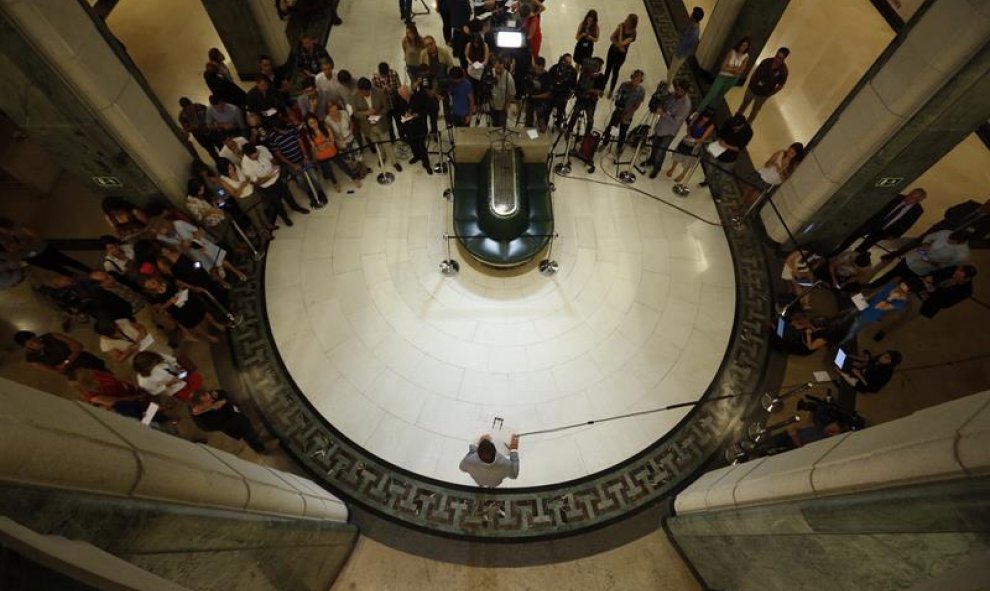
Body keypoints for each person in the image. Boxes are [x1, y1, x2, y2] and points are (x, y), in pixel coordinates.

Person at [870, 230, 971, 287]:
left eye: (952, 241)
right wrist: (926, 243)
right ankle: (875, 284)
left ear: (960, 242)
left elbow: (951, 265)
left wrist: (938, 264)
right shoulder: (945, 233)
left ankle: (890, 296)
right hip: (914, 257)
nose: (948, 241)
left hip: (923, 267)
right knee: (893, 272)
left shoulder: (963, 253)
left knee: (904, 283)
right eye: (949, 239)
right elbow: (930, 236)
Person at [140, 276, 227, 344]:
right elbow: (159, 308)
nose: (152, 284)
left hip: (186, 300)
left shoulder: (166, 281)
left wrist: (180, 289)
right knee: (193, 323)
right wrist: (170, 302)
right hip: (177, 310)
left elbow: (178, 285)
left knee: (203, 312)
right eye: (150, 285)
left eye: (152, 282)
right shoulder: (153, 296)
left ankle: (215, 323)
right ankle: (208, 336)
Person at [240, 142, 307, 227]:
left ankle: (295, 207)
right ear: (248, 156)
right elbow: (257, 182)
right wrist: (269, 176)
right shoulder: (245, 164)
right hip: (267, 186)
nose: (256, 156)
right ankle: (284, 217)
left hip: (277, 177)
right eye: (254, 157)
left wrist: (276, 167)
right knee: (277, 203)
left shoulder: (262, 148)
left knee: (287, 194)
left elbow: (272, 160)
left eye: (256, 153)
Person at [842, 188, 927, 254]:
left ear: (919, 201)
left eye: (914, 198)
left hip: (884, 230)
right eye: (910, 195)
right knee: (854, 236)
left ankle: (851, 258)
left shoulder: (917, 211)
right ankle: (839, 251)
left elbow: (908, 224)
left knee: (865, 246)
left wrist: (896, 235)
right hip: (873, 222)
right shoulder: (896, 197)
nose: (909, 198)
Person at [0, 218, 91, 277]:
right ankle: (72, 276)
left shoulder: (21, 227)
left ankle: (89, 271)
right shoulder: (3, 239)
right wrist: (13, 249)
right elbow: (9, 250)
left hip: (42, 249)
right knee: (54, 267)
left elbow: (37, 235)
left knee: (66, 261)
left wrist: (25, 245)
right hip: (31, 257)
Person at [269, 117, 327, 209]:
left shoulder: (291, 127)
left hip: (302, 158)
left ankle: (320, 192)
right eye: (282, 131)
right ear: (276, 129)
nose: (285, 132)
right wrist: (293, 165)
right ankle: (310, 194)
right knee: (300, 181)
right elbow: (279, 155)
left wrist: (305, 156)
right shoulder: (272, 137)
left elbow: (300, 142)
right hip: (291, 163)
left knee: (314, 176)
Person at [189, 389, 267, 453]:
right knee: (249, 436)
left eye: (210, 397)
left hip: (237, 415)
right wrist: (224, 403)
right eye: (209, 400)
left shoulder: (206, 397)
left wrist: (223, 401)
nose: (212, 400)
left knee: (250, 428)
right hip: (236, 425)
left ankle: (256, 435)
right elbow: (229, 421)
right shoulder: (205, 422)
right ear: (199, 406)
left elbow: (223, 393)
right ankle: (261, 449)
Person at [302, 113, 364, 193]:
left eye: (314, 121)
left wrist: (323, 144)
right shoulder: (309, 134)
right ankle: (335, 183)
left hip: (332, 152)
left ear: (317, 120)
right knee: (329, 171)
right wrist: (324, 143)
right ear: (308, 125)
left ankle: (354, 178)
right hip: (321, 156)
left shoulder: (325, 127)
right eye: (310, 123)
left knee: (343, 166)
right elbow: (315, 148)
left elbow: (331, 141)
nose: (313, 124)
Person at [643, 79, 691, 179]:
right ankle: (651, 160)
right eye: (678, 89)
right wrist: (659, 105)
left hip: (670, 131)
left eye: (681, 91)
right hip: (661, 126)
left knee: (661, 150)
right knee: (655, 145)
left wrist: (664, 113)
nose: (678, 92)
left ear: (685, 92)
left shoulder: (686, 105)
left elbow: (676, 120)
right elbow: (664, 103)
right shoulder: (673, 95)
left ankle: (657, 168)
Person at [217, 157, 273, 242]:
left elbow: (247, 178)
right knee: (254, 218)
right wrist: (242, 185)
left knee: (261, 211)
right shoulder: (224, 179)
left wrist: (246, 182)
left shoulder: (237, 167)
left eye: (231, 167)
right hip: (244, 200)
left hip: (252, 193)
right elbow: (236, 195)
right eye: (228, 169)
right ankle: (264, 233)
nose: (231, 170)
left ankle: (268, 225)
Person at [354, 77, 401, 173]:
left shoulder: (379, 93)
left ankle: (394, 162)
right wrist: (365, 113)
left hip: (381, 123)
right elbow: (355, 113)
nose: (364, 94)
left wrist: (378, 113)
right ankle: (382, 157)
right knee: (377, 145)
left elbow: (386, 107)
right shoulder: (355, 96)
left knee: (387, 144)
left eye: (366, 92)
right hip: (368, 126)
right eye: (362, 92)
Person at [841, 281, 912, 344]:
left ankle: (841, 343)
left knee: (853, 329)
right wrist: (868, 297)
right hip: (865, 305)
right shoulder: (891, 286)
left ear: (907, 292)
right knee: (848, 317)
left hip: (870, 315)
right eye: (898, 286)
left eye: (901, 290)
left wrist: (890, 298)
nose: (897, 289)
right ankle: (836, 329)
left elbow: (879, 307)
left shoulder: (901, 303)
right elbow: (878, 292)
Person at [695, 37, 750, 115]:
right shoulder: (732, 52)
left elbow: (740, 71)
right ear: (740, 44)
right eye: (743, 45)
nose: (743, 48)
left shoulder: (746, 57)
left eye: (746, 46)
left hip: (732, 80)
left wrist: (729, 68)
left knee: (720, 94)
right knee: (712, 93)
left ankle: (710, 109)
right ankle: (698, 110)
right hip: (722, 76)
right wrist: (734, 69)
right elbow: (723, 67)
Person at [14, 330, 106, 375]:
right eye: (31, 344)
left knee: (104, 372)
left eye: (35, 339)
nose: (36, 343)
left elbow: (79, 346)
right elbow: (58, 371)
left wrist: (65, 362)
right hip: (75, 372)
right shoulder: (32, 359)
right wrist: (72, 353)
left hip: (85, 360)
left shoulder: (51, 336)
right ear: (26, 347)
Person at [741, 142, 805, 206]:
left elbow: (785, 179)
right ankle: (740, 204)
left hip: (769, 182)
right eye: (789, 150)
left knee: (754, 197)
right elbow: (767, 164)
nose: (789, 153)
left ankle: (744, 209)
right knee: (748, 190)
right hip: (762, 174)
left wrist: (782, 172)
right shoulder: (780, 153)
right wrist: (773, 164)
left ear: (796, 155)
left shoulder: (793, 165)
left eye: (792, 153)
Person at [737, 48, 790, 124]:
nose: (777, 59)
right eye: (777, 56)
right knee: (744, 104)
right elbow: (756, 72)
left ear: (784, 59)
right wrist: (751, 82)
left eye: (780, 58)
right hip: (752, 89)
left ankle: (747, 125)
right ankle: (736, 119)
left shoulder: (783, 71)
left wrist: (769, 94)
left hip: (763, 95)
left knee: (754, 111)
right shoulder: (767, 61)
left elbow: (780, 86)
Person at [700, 113, 752, 186]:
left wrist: (726, 146)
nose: (734, 128)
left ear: (742, 125)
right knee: (709, 170)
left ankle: (718, 193)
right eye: (733, 126)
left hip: (730, 158)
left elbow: (739, 148)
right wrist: (720, 140)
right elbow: (720, 134)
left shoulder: (747, 132)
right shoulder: (729, 122)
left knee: (723, 178)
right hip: (717, 152)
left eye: (737, 127)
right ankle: (707, 181)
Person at [601, 69, 645, 155]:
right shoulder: (624, 85)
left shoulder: (641, 91)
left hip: (628, 114)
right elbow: (618, 95)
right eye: (634, 77)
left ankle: (619, 147)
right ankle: (604, 143)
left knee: (623, 132)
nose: (635, 80)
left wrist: (627, 115)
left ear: (640, 80)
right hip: (618, 111)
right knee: (611, 127)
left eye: (638, 79)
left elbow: (637, 105)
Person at [132, 350, 204, 401]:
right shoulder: (143, 381)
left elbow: (170, 359)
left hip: (180, 373)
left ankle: (202, 393)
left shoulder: (156, 356)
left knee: (197, 383)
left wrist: (177, 367)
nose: (155, 364)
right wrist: (169, 384)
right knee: (192, 397)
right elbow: (154, 391)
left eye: (154, 362)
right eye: (152, 365)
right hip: (175, 388)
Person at [666, 110, 714, 182]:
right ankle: (672, 168)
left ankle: (683, 174)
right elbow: (689, 127)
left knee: (688, 160)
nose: (705, 119)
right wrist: (689, 134)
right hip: (687, 139)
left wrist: (694, 140)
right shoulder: (696, 117)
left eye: (707, 118)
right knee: (678, 154)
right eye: (704, 117)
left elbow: (702, 138)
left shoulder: (710, 126)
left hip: (695, 144)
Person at [95, 317, 166, 364]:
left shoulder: (121, 322)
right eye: (114, 332)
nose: (118, 332)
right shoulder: (106, 344)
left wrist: (142, 336)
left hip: (149, 344)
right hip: (140, 358)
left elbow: (141, 327)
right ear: (106, 334)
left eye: (117, 327)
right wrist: (129, 351)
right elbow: (119, 359)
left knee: (167, 357)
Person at [566, 56, 605, 138]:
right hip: (581, 99)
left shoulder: (601, 77)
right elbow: (579, 85)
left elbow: (600, 93)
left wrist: (590, 90)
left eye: (597, 65)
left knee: (590, 120)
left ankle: (587, 136)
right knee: (574, 115)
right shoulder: (584, 73)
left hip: (591, 101)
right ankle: (569, 131)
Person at [399, 85, 435, 174]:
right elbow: (398, 112)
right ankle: (416, 156)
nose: (404, 97)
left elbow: (425, 110)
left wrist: (416, 115)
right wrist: (404, 116)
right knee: (412, 144)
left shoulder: (418, 98)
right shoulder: (400, 101)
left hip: (419, 126)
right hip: (408, 127)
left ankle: (426, 164)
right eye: (402, 95)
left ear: (409, 92)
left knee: (421, 146)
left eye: (405, 95)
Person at [666, 6, 704, 86]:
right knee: (672, 67)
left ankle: (667, 85)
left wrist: (680, 36)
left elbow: (684, 42)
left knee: (672, 71)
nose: (690, 14)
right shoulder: (691, 24)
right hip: (679, 50)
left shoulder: (694, 33)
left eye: (692, 14)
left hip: (681, 53)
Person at [603, 14, 638, 98]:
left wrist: (621, 30)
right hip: (613, 50)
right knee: (607, 69)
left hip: (621, 55)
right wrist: (619, 45)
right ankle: (602, 87)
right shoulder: (622, 25)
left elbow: (622, 42)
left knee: (615, 71)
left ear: (632, 23)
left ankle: (611, 90)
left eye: (628, 20)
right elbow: (612, 38)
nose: (626, 20)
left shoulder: (633, 33)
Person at [178, 97, 221, 162]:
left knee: (220, 146)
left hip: (210, 131)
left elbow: (211, 114)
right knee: (212, 152)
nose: (189, 109)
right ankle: (221, 165)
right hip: (200, 136)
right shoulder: (183, 115)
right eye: (187, 108)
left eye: (189, 106)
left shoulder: (199, 106)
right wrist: (193, 126)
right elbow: (186, 128)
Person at [838, 350, 902, 394]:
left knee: (839, 371)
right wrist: (860, 364)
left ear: (890, 362)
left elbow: (870, 387)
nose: (882, 357)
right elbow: (870, 361)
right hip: (863, 372)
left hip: (862, 383)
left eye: (886, 357)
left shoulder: (884, 374)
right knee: (845, 362)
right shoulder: (879, 359)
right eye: (884, 355)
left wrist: (859, 375)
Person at [548, 54, 577, 129]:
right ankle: (545, 121)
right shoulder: (555, 68)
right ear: (562, 60)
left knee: (560, 111)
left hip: (564, 94)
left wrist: (569, 95)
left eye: (570, 62)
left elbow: (574, 86)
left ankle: (558, 124)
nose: (568, 64)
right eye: (566, 61)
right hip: (553, 93)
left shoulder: (573, 72)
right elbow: (548, 79)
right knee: (548, 108)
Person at [523, 57, 553, 131]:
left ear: (543, 67)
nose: (538, 71)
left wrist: (535, 97)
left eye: (540, 69)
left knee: (541, 121)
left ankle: (543, 135)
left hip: (541, 101)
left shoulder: (547, 77)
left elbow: (548, 94)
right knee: (528, 120)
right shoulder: (531, 73)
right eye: (536, 68)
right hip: (531, 99)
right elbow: (526, 85)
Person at [489, 58, 516, 128]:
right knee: (494, 123)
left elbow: (512, 94)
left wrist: (507, 105)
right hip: (492, 105)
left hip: (503, 107)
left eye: (500, 68)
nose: (498, 70)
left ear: (503, 66)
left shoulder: (508, 78)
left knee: (502, 125)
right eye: (496, 68)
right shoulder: (490, 73)